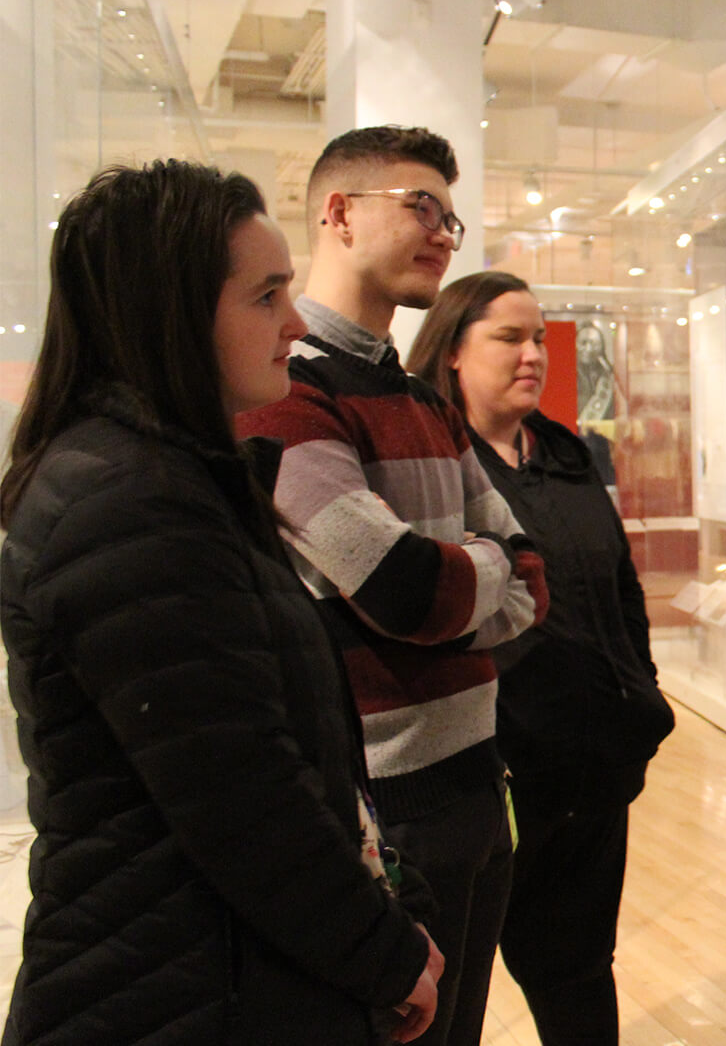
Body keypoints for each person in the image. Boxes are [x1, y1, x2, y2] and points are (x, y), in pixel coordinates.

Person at [0, 160, 442, 1044]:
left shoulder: (172, 482)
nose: (291, 323)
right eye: (265, 295)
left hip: (211, 971)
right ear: (168, 312)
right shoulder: (129, 503)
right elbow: (243, 802)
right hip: (183, 989)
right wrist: (385, 953)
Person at [235, 126, 548, 1046]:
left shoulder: (421, 397)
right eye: (420, 205)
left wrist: (468, 577)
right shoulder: (289, 391)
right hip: (388, 802)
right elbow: (409, 589)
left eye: (450, 214)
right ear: (337, 213)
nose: (444, 231)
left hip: (476, 785)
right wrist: (474, 573)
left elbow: (531, 577)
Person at [409, 271, 676, 1044]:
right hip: (493, 779)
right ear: (454, 350)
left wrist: (643, 696)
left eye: (537, 338)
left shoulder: (565, 452)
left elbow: (620, 589)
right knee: (453, 991)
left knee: (581, 972)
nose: (532, 355)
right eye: (508, 337)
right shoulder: (430, 462)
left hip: (593, 775)